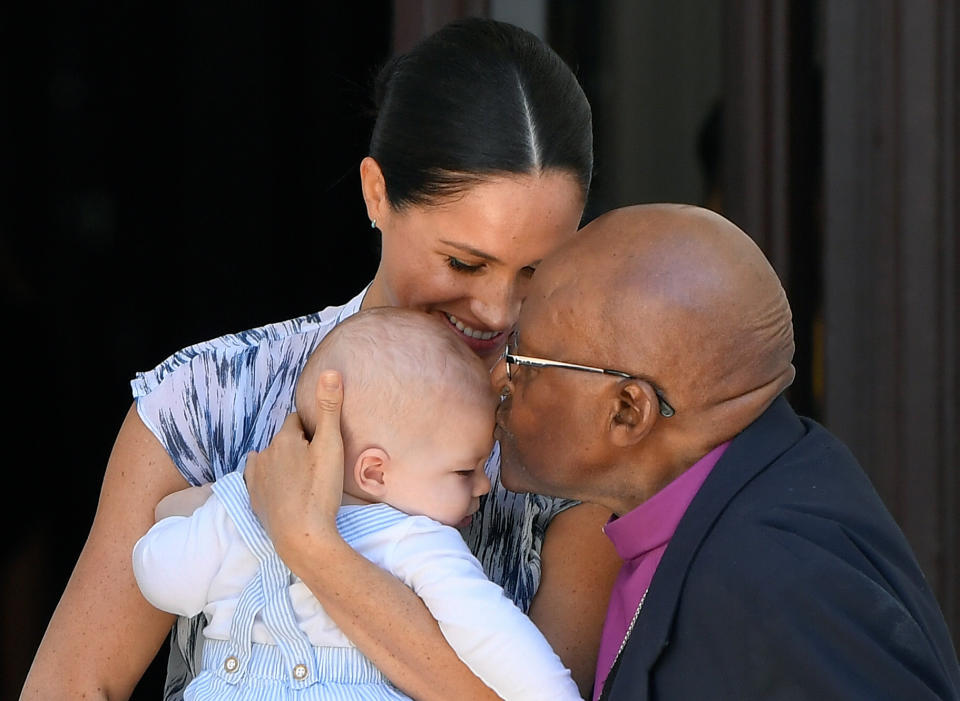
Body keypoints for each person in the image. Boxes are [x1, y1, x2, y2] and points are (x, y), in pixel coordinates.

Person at [22, 17, 620, 701]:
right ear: (376, 193)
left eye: (536, 271)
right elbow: (72, 683)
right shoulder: (209, 397)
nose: (497, 309)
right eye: (464, 261)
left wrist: (313, 547)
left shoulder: (576, 439)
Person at [488, 203, 960, 699]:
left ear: (628, 411)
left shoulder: (777, 585)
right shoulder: (751, 491)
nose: (502, 377)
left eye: (524, 360)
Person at [133, 308, 581, 700]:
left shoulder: (245, 510)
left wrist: (223, 503)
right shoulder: (417, 541)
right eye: (465, 471)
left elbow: (161, 578)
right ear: (374, 472)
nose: (484, 485)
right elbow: (498, 642)